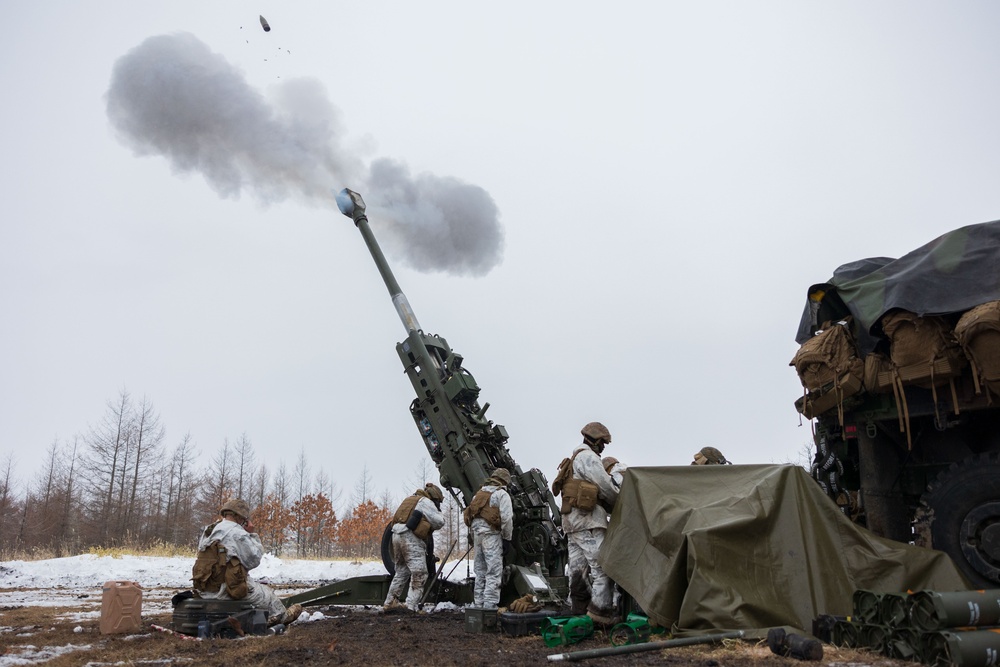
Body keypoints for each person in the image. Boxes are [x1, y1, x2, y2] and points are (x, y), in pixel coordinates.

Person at [192, 498, 302, 626]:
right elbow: (253, 560)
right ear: (240, 517)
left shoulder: (209, 530)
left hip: (205, 590)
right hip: (227, 590)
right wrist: (251, 534)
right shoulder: (238, 533)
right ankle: (281, 617)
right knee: (267, 594)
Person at [552, 422, 620, 625]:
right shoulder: (588, 458)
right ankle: (600, 614)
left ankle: (579, 610)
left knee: (577, 568)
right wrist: (620, 501)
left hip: (572, 523)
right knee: (602, 568)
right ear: (597, 442)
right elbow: (606, 487)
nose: (603, 448)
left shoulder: (573, 459)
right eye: (603, 444)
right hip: (587, 521)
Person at [384, 482, 445, 611]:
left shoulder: (409, 499)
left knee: (401, 571)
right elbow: (439, 522)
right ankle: (410, 606)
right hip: (410, 538)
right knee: (420, 573)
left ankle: (390, 603)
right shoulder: (425, 502)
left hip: (396, 535)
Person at [464, 467, 514, 609]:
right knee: (493, 571)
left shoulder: (478, 495)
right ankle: (490, 606)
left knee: (480, 571)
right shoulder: (501, 494)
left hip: (477, 536)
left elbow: (471, 517)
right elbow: (507, 519)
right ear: (504, 481)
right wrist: (507, 539)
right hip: (492, 536)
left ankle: (478, 604)